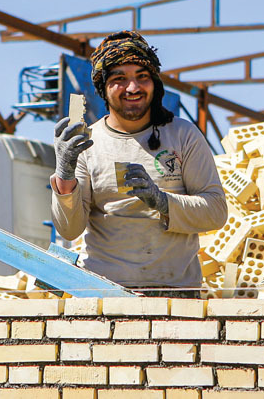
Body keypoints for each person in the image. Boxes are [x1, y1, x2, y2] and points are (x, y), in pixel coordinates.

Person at [50, 30, 227, 297]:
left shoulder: (182, 135)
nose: (132, 88)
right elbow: (69, 228)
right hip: (103, 293)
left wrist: (163, 202)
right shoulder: (87, 144)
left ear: (154, 83)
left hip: (177, 294)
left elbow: (216, 212)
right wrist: (64, 174)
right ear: (103, 88)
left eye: (142, 77)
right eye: (119, 79)